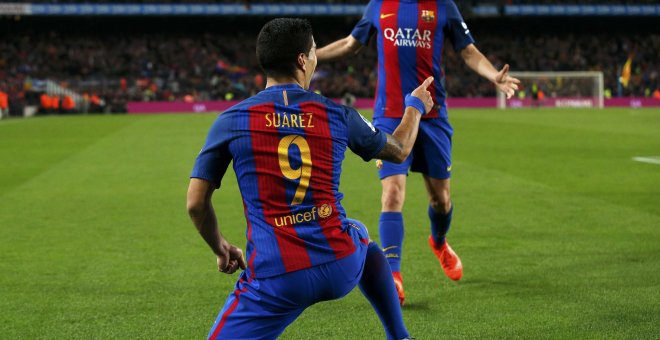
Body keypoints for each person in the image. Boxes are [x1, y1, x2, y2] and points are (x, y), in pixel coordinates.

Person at [187, 18, 434, 339]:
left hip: (276, 279)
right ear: (302, 59)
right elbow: (399, 149)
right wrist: (414, 106)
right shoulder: (337, 113)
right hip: (340, 265)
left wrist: (220, 247)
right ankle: (399, 336)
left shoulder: (231, 121)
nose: (316, 57)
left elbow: (195, 204)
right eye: (314, 50)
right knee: (359, 233)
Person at [316, 0, 520, 305]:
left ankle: (438, 242)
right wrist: (311, 57)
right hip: (390, 116)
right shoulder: (379, 5)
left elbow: (467, 50)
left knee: (441, 200)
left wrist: (494, 75)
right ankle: (393, 276)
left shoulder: (443, 7)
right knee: (392, 194)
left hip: (432, 116)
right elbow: (350, 44)